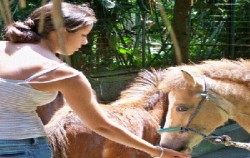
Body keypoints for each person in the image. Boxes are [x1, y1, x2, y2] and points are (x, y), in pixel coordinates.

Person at [0, 2, 191, 158]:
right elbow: (102, 126)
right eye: (83, 35)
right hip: (22, 147)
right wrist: (156, 151)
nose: (85, 43)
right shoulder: (63, 74)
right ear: (63, 31)